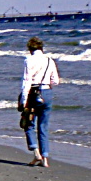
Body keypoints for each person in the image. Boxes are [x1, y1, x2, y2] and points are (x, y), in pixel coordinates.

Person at [19, 36, 60, 167]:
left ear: (30, 49)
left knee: (28, 123)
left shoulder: (29, 60)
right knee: (43, 127)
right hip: (47, 92)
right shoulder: (49, 60)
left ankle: (36, 153)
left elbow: (27, 82)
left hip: (33, 93)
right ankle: (45, 158)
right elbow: (56, 81)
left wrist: (23, 101)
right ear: (42, 48)